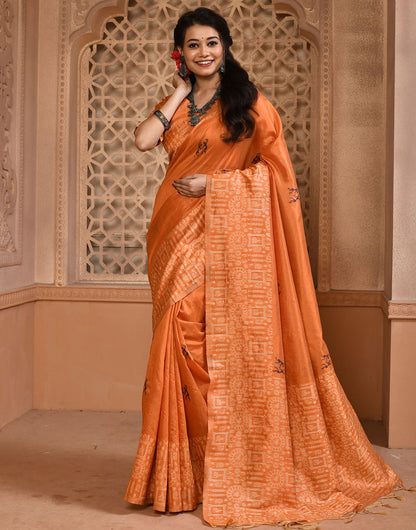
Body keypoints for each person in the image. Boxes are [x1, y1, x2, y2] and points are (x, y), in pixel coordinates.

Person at [125, 7, 402, 528]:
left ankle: (234, 465)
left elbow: (277, 179)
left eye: (212, 42)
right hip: (170, 233)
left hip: (221, 233)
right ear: (179, 53)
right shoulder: (180, 105)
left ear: (226, 47)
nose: (203, 52)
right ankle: (188, 475)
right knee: (173, 338)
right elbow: (142, 140)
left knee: (195, 341)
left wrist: (217, 186)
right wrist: (181, 91)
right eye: (192, 45)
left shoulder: (249, 105)